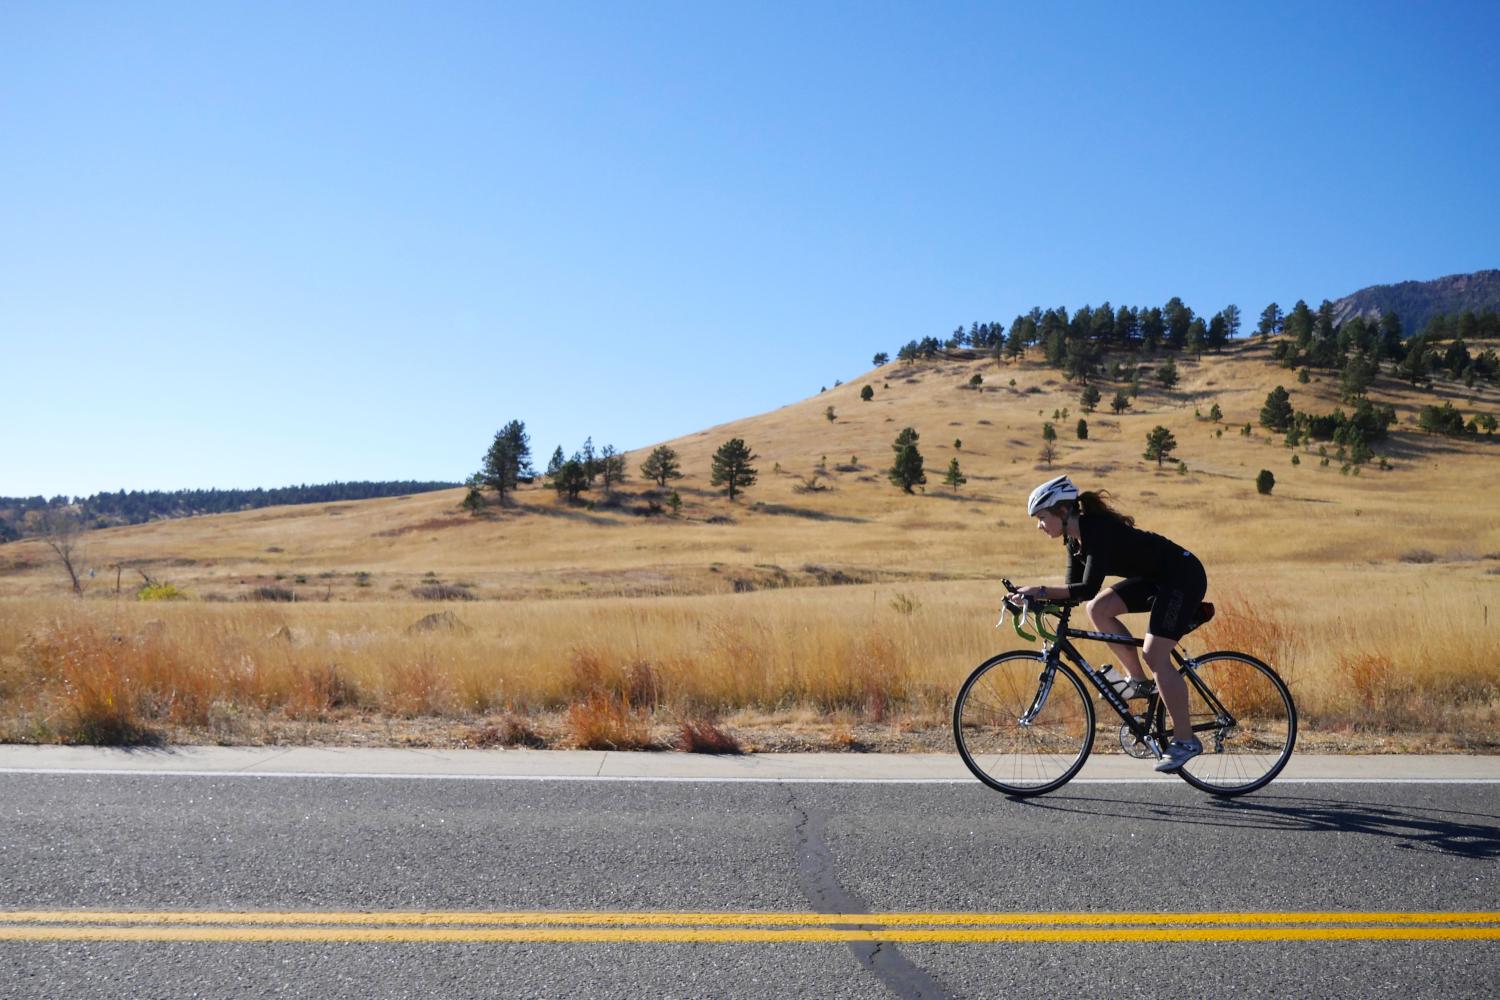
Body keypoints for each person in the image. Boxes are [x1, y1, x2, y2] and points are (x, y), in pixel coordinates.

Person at [1014, 474, 1207, 772]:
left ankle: (1185, 739)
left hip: (1182, 577)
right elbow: (1075, 593)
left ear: (1063, 512)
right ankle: (1140, 683)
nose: (1039, 525)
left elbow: (1086, 586)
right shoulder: (1074, 542)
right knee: (1098, 609)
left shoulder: (1096, 530)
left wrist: (1038, 590)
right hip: (1157, 580)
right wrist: (1032, 600)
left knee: (1155, 654)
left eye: (1041, 517)